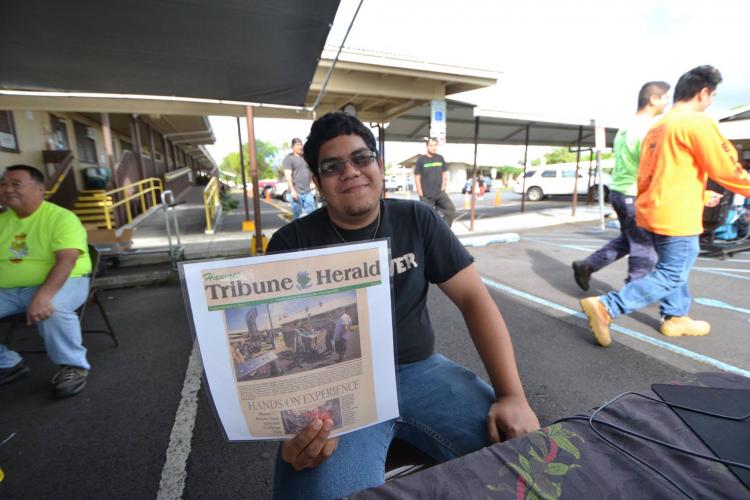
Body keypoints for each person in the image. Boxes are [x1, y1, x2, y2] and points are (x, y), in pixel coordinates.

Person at [267, 112, 539, 499]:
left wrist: (513, 395)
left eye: (361, 158)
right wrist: (294, 429)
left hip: (422, 372)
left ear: (378, 165)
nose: (351, 171)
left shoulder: (418, 218)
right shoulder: (290, 243)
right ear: (317, 182)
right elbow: (283, 344)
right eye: (332, 166)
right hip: (337, 390)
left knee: (531, 460)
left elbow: (474, 299)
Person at [580, 65, 750, 346]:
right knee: (673, 271)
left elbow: (653, 172)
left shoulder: (659, 125)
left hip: (654, 208)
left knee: (672, 266)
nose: (711, 102)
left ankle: (676, 316)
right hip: (677, 215)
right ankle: (607, 307)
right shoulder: (696, 122)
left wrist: (698, 193)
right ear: (704, 92)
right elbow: (727, 168)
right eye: (713, 95)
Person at [0, 165, 92, 397]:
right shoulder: (3, 221)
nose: (7, 189)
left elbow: (66, 260)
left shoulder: (61, 218)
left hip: (65, 280)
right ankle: (8, 363)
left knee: (53, 306)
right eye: (3, 184)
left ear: (40, 189)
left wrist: (42, 295)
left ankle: (73, 365)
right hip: (9, 289)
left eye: (15, 184)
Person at [572, 81, 671, 291]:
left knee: (629, 240)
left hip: (620, 192)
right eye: (665, 98)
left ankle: (587, 266)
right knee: (645, 247)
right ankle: (633, 293)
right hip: (634, 195)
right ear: (653, 99)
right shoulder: (647, 130)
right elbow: (652, 166)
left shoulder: (626, 128)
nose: (667, 103)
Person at [414, 137, 456, 226]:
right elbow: (417, 177)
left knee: (450, 209)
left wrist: (443, 187)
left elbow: (444, 173)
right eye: (431, 145)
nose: (433, 147)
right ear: (427, 146)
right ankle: (430, 234)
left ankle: (444, 229)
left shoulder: (440, 158)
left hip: (440, 193)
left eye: (435, 145)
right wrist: (421, 194)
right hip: (426, 196)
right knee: (426, 217)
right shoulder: (421, 160)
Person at [283, 137, 315, 220]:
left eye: (301, 144)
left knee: (312, 213)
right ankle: (296, 232)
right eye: (297, 145)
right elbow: (288, 176)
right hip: (296, 192)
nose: (300, 147)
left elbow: (311, 171)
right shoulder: (289, 159)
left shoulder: (306, 157)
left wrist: (313, 183)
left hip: (307, 191)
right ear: (292, 147)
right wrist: (293, 191)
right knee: (297, 215)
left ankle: (311, 232)